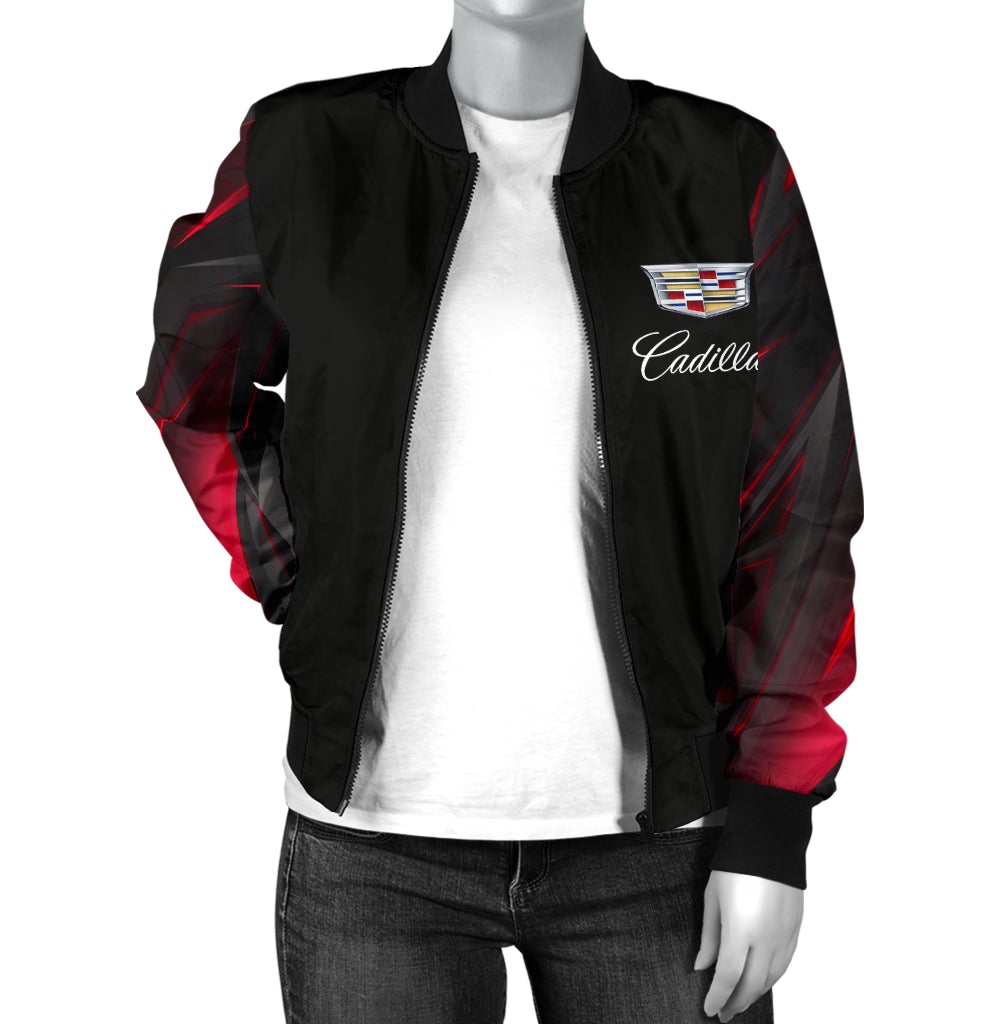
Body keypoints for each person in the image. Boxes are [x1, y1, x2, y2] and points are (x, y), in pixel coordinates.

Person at [135, 2, 864, 1021]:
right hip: (373, 849)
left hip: (668, 848)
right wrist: (303, 569)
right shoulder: (303, 151)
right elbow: (194, 386)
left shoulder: (724, 169)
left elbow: (801, 499)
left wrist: (773, 817)